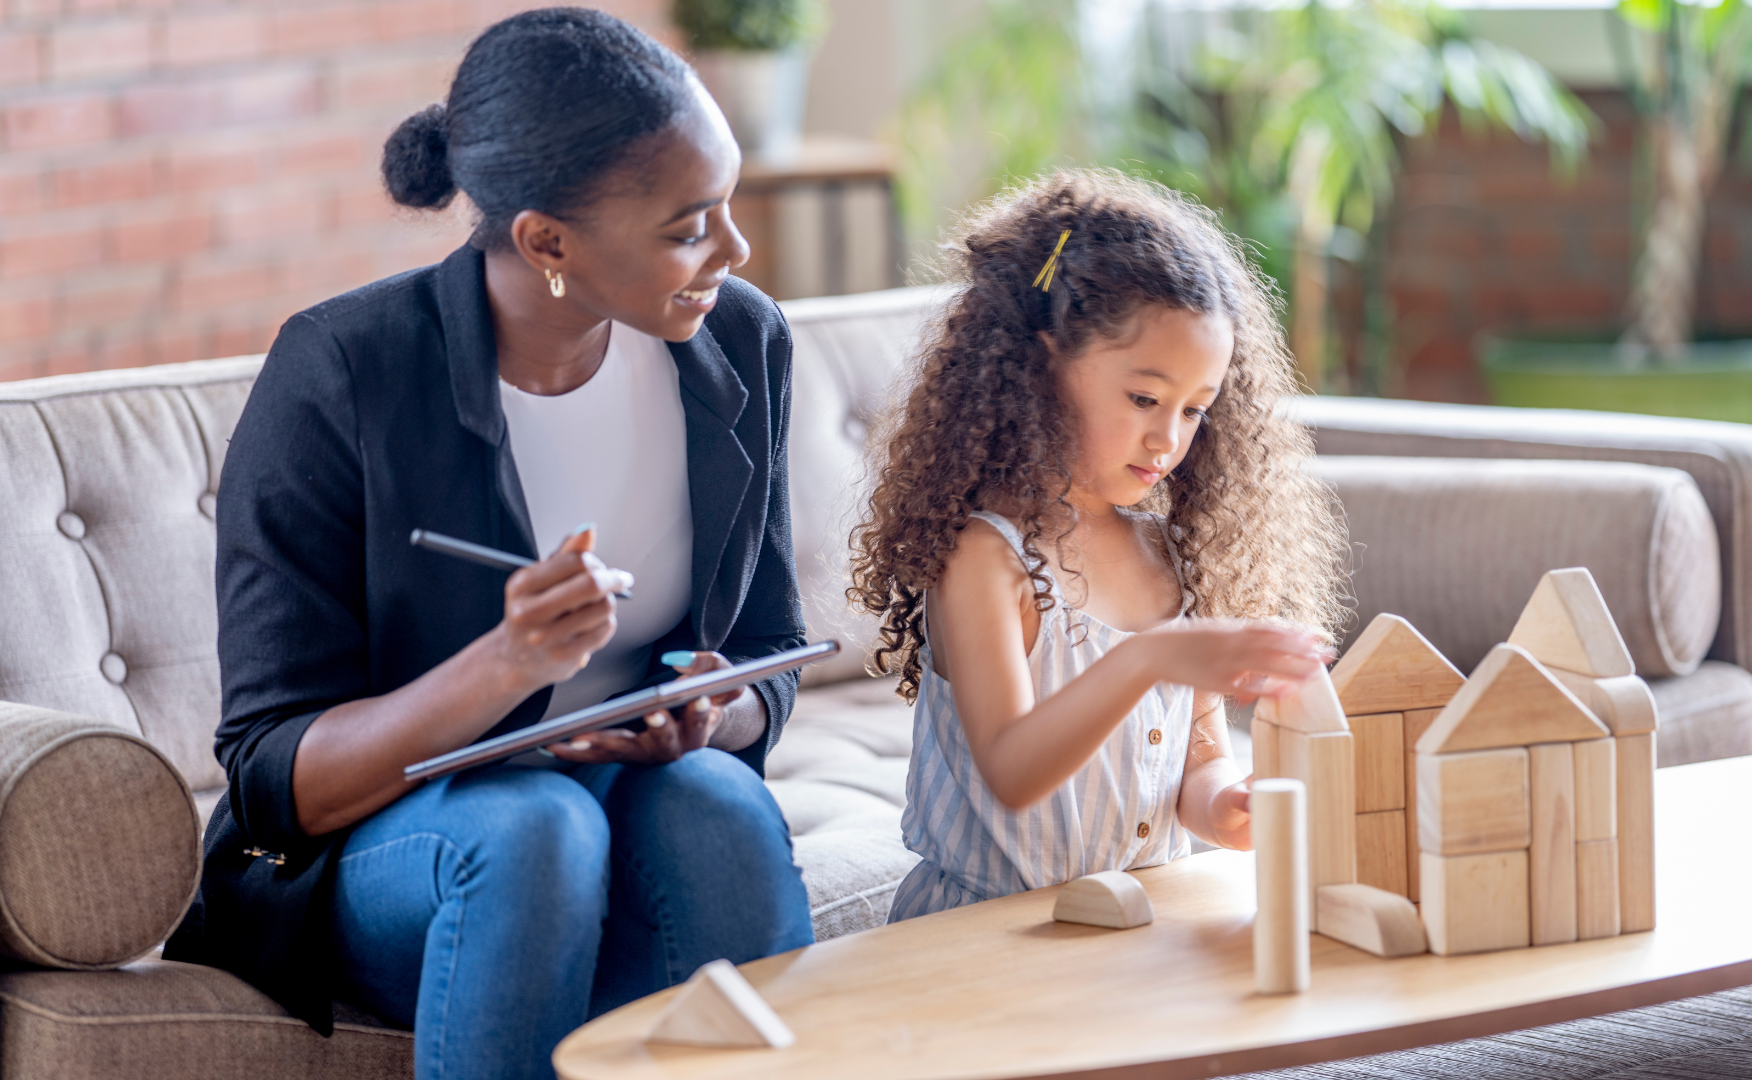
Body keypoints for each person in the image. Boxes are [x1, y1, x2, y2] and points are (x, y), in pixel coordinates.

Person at [163, 10, 814, 1079]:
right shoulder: (343, 372)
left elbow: (766, 643)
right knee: (534, 829)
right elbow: (277, 775)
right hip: (395, 855)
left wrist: (715, 704)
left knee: (720, 805)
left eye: (727, 205)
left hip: (630, 798)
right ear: (547, 243)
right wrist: (504, 666)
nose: (735, 251)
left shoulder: (739, 341)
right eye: (690, 225)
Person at [850, 170, 1348, 919]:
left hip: (1132, 928)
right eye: (1144, 399)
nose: (1168, 438)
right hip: (983, 940)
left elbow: (1199, 756)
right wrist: (1153, 655)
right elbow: (1013, 771)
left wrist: (1226, 804)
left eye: (1195, 410)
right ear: (1041, 363)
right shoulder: (986, 557)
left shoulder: (1167, 555)